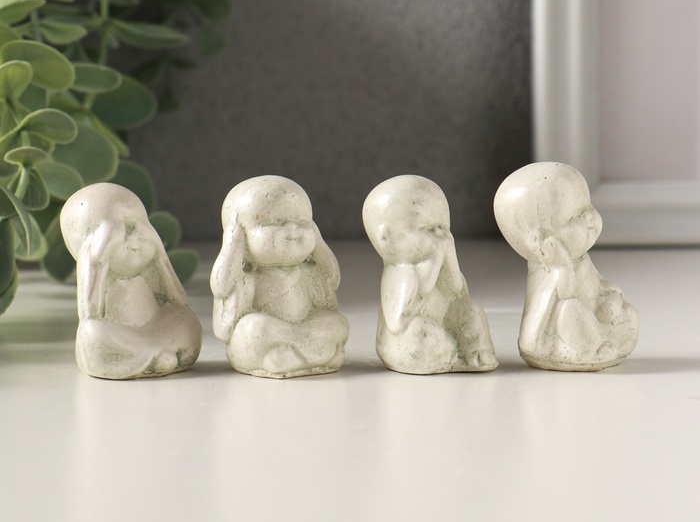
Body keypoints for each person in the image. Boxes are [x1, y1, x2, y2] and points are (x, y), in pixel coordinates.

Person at [493, 162, 640, 371]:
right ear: (539, 241)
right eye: (575, 217)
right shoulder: (548, 270)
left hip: (593, 318)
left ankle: (607, 342)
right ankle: (593, 348)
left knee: (629, 313)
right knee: (570, 309)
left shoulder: (580, 259)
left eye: (589, 208)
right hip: (556, 333)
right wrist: (561, 267)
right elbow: (565, 292)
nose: (590, 218)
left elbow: (598, 285)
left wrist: (612, 298)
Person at [210, 176, 349, 377]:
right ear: (241, 234)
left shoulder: (308, 271)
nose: (292, 230)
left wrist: (318, 242)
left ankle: (290, 355)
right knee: (253, 327)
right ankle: (318, 353)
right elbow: (221, 287)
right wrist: (232, 244)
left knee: (337, 322)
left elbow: (332, 278)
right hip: (270, 332)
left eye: (302, 222)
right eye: (274, 223)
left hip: (303, 325)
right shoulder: (248, 276)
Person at [61, 184, 201, 379]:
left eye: (140, 223)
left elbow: (178, 300)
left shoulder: (150, 264)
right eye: (117, 230)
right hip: (118, 336)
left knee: (186, 320)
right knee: (92, 334)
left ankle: (154, 355)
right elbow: (89, 316)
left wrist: (158, 252)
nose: (135, 238)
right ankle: (149, 356)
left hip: (157, 328)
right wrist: (97, 259)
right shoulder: (96, 264)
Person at [363, 175, 497, 374]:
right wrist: (434, 261)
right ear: (387, 240)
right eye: (427, 228)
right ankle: (447, 355)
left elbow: (456, 290)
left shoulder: (437, 252)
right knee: (420, 331)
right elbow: (399, 320)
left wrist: (449, 257)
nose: (439, 235)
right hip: (408, 338)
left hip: (442, 323)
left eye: (442, 227)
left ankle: (474, 351)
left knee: (471, 310)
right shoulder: (401, 270)